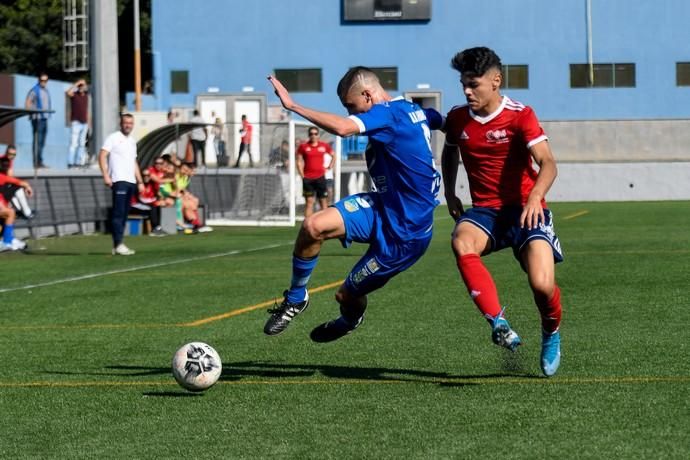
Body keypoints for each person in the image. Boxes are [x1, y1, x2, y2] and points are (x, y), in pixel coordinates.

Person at [264, 67, 443, 342]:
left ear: (369, 95)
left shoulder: (387, 114)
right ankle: (297, 298)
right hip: (382, 206)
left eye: (352, 106)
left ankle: (350, 319)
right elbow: (439, 119)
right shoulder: (410, 110)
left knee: (346, 296)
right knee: (313, 226)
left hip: (406, 233)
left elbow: (342, 128)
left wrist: (292, 105)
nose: (352, 113)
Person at [441, 47, 564, 377]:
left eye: (474, 84)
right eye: (463, 84)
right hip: (486, 212)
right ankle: (498, 322)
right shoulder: (457, 117)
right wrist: (450, 191)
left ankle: (551, 332)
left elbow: (548, 163)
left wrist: (536, 196)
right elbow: (450, 150)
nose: (467, 91)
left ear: (496, 81)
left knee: (541, 285)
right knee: (461, 241)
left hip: (526, 210)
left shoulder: (520, 114)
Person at [98, 113, 145, 256]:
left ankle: (118, 243)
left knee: (124, 214)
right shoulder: (113, 138)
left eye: (130, 123)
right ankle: (118, 243)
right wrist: (106, 175)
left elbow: (134, 162)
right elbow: (102, 155)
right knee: (118, 213)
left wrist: (140, 181)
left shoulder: (132, 141)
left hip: (131, 181)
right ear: (121, 123)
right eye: (126, 123)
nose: (128, 125)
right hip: (119, 180)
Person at [296, 128, 334, 218]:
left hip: (320, 177)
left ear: (318, 135)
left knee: (323, 202)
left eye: (315, 133)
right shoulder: (303, 147)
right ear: (309, 135)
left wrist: (329, 167)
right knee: (309, 202)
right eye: (311, 134)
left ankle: (325, 225)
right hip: (308, 179)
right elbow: (299, 161)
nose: (313, 135)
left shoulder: (324, 146)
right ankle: (307, 225)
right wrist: (302, 175)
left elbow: (334, 155)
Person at [0, 164, 31, 252]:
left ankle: (10, 240)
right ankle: (7, 242)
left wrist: (27, 186)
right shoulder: (2, 178)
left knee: (9, 214)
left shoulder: (6, 181)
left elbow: (20, 182)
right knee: (10, 213)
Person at [24, 72, 51, 168]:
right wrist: (29, 112)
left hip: (44, 118)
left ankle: (39, 161)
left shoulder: (45, 90)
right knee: (37, 141)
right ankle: (36, 162)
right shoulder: (35, 90)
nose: (44, 82)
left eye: (46, 81)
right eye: (42, 80)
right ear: (39, 80)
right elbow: (28, 101)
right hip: (37, 119)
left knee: (42, 141)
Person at [0, 145, 34, 219]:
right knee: (18, 189)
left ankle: (24, 212)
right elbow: (9, 177)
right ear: (6, 152)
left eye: (14, 154)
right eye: (10, 154)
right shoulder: (3, 161)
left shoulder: (9, 160)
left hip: (5, 185)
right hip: (2, 189)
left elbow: (10, 178)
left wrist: (24, 184)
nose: (12, 156)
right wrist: (25, 185)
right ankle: (26, 213)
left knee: (18, 189)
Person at [66, 79, 89, 168]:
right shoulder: (74, 95)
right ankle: (70, 162)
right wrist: (77, 83)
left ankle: (79, 162)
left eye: (82, 86)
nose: (81, 87)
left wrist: (88, 122)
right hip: (76, 122)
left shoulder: (86, 96)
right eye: (80, 86)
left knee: (82, 144)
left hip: (84, 123)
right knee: (73, 143)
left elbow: (87, 111)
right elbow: (68, 92)